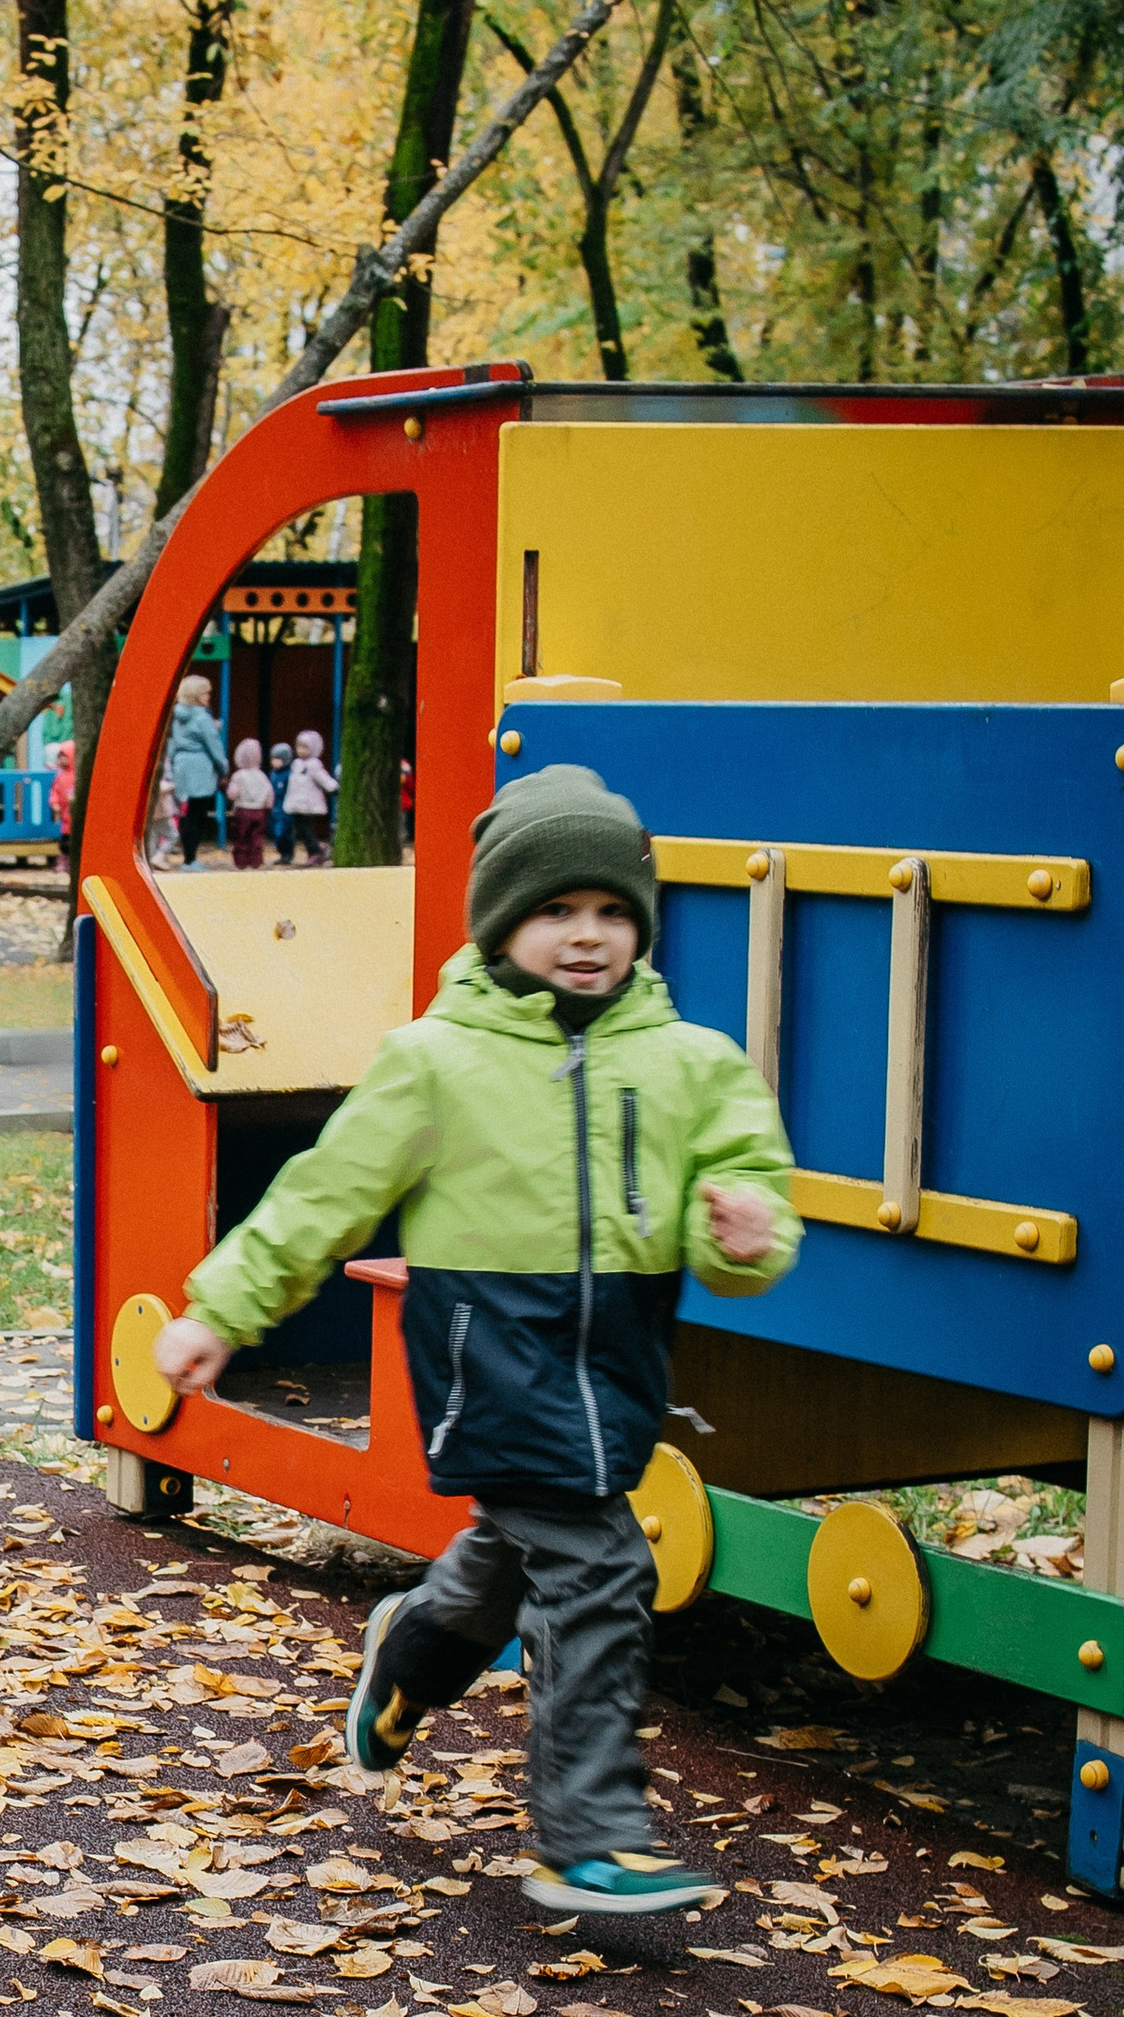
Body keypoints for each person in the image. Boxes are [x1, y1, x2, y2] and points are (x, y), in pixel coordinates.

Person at [152, 763, 798, 1918]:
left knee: (521, 1546)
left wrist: (747, 1229)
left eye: (609, 911)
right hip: (489, 1355)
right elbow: (321, 1196)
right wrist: (220, 1309)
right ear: (501, 922)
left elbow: (749, 1191)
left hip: (617, 1367)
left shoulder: (692, 1061)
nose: (585, 935)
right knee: (600, 1564)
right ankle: (586, 1837)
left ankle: (411, 1652)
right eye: (554, 910)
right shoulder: (436, 1061)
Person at [162, 670, 228, 862]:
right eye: (206, 693)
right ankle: (191, 859)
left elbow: (174, 743)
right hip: (201, 768)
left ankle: (187, 856)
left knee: (187, 812)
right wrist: (223, 768)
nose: (208, 696)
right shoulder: (202, 717)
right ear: (197, 695)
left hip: (182, 765)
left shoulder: (178, 716)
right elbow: (214, 746)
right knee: (198, 814)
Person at [281, 730, 336, 865]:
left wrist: (333, 787)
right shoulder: (296, 764)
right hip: (296, 804)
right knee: (300, 831)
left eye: (305, 747)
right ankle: (318, 847)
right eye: (299, 747)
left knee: (306, 830)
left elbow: (323, 778)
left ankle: (315, 852)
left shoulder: (314, 765)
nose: (300, 750)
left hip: (308, 804)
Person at [225, 731, 274, 869]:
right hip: (259, 811)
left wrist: (228, 792)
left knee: (241, 837)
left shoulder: (238, 775)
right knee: (257, 837)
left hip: (242, 810)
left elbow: (233, 794)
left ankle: (241, 861)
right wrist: (268, 807)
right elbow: (269, 793)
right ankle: (256, 861)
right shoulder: (262, 776)